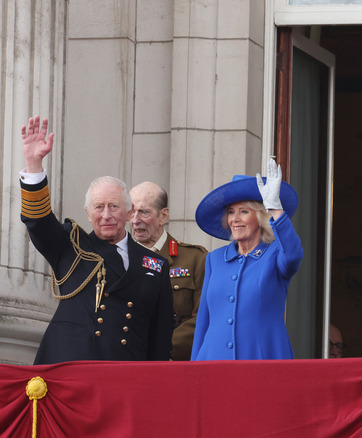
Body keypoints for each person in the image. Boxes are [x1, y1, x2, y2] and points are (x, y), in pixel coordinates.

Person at [19, 115, 173, 364]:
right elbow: (38, 221)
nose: (107, 215)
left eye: (114, 206)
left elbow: (160, 335)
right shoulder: (70, 246)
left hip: (126, 372)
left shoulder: (154, 263)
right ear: (88, 213)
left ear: (130, 212)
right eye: (99, 207)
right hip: (71, 367)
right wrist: (34, 163)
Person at [191, 159, 303, 360]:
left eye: (244, 211)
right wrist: (194, 369)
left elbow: (293, 255)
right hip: (213, 361)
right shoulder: (214, 260)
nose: (235, 219)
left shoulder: (275, 254)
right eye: (231, 212)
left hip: (262, 358)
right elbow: (203, 320)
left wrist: (276, 210)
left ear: (260, 218)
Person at [130, 182, 208, 361]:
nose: (135, 220)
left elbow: (203, 318)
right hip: (129, 363)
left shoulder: (195, 259)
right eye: (131, 212)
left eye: (144, 212)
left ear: (163, 216)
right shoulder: (120, 259)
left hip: (174, 363)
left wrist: (159, 350)